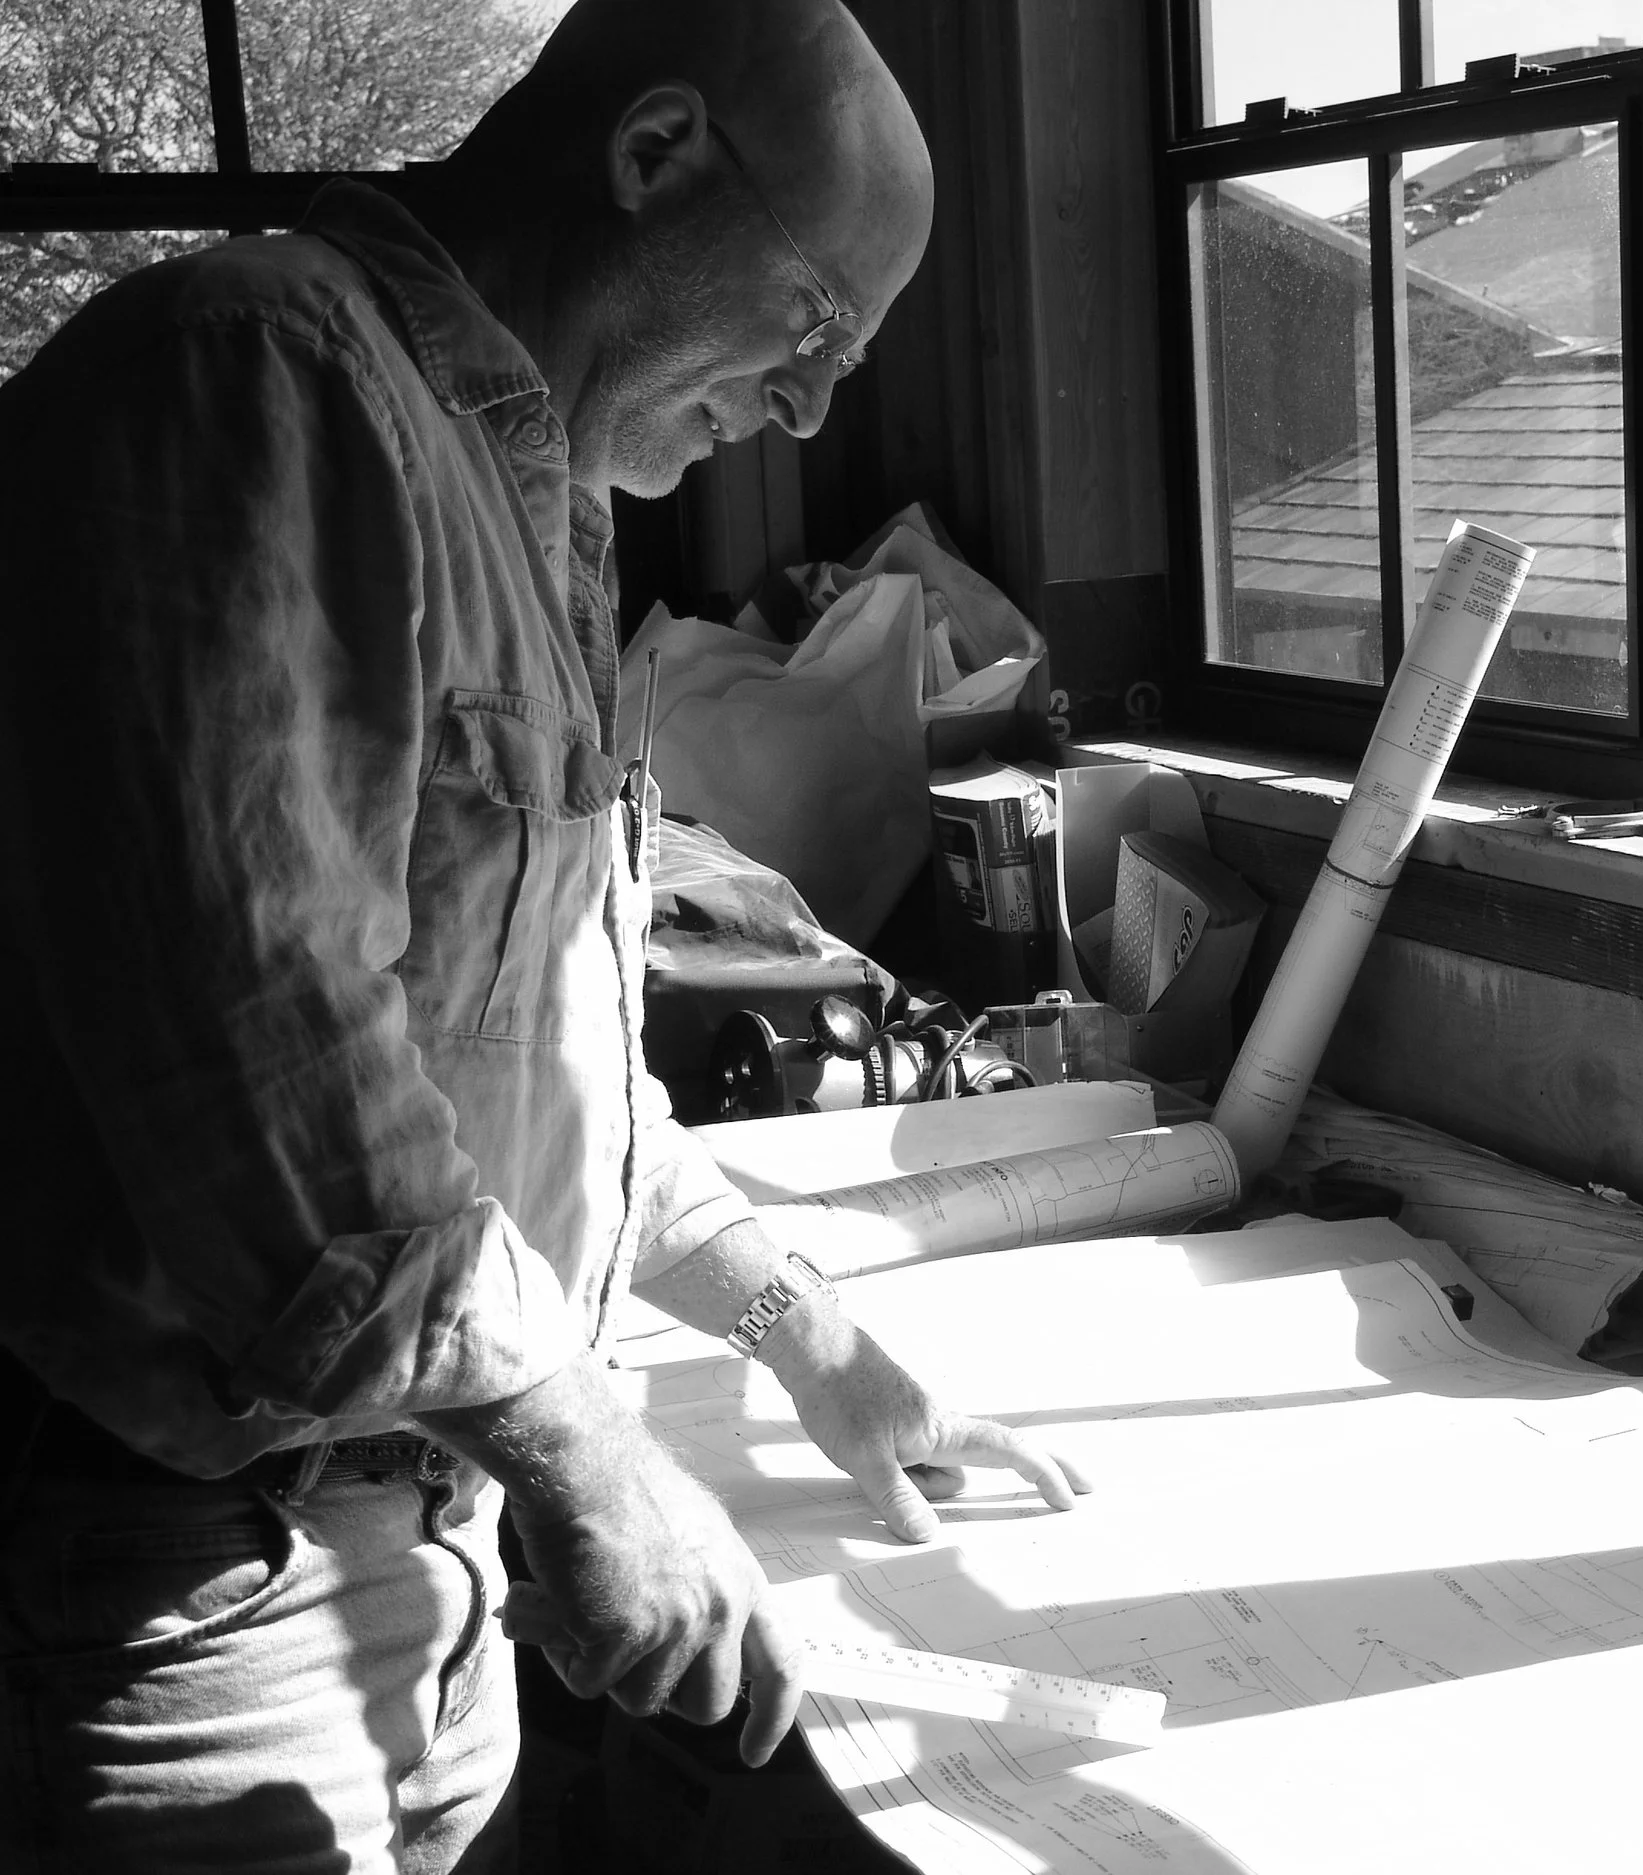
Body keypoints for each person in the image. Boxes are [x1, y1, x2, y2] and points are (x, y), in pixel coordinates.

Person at [0, 3, 1082, 1868]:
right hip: (183, 1586)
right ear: (654, 156)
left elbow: (539, 1076)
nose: (816, 408)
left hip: (421, 1549)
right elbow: (267, 1058)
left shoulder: (537, 495)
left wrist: (808, 1335)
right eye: (815, 327)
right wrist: (585, 1448)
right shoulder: (256, 377)